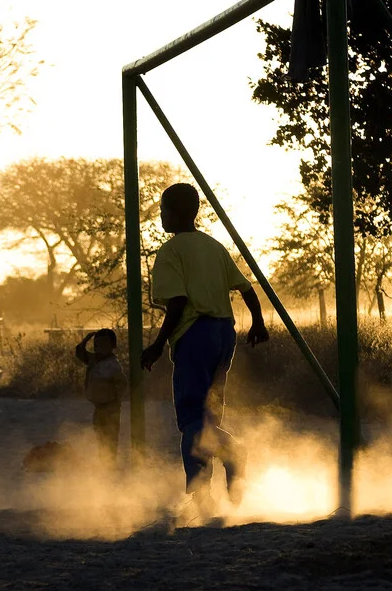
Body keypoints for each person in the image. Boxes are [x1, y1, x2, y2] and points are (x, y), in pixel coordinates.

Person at [140, 183, 269, 514]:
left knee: (191, 418)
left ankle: (208, 482)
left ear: (175, 213)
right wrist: (257, 322)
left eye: (163, 210)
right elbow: (245, 287)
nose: (161, 215)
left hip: (195, 336)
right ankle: (210, 486)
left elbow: (179, 302)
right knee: (209, 414)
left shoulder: (171, 252)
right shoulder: (214, 247)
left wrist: (156, 345)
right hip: (225, 334)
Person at [75, 328, 126, 464]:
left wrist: (116, 400)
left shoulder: (113, 365)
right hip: (98, 407)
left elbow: (122, 384)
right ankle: (104, 462)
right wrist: (85, 340)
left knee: (111, 437)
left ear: (112, 346)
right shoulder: (93, 360)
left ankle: (110, 463)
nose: (100, 348)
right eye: (97, 345)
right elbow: (80, 353)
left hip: (111, 407)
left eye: (104, 345)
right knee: (100, 436)